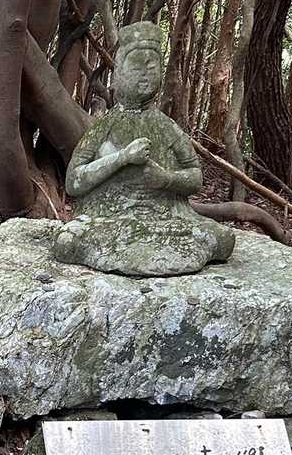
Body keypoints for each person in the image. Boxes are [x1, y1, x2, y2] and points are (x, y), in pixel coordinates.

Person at [52, 22, 235, 277]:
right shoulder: (105, 126)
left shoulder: (166, 127)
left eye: (152, 66)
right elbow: (74, 181)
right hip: (109, 215)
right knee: (68, 242)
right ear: (118, 73)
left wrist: (166, 179)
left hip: (166, 217)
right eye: (137, 66)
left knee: (223, 239)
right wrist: (121, 158)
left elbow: (195, 177)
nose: (146, 74)